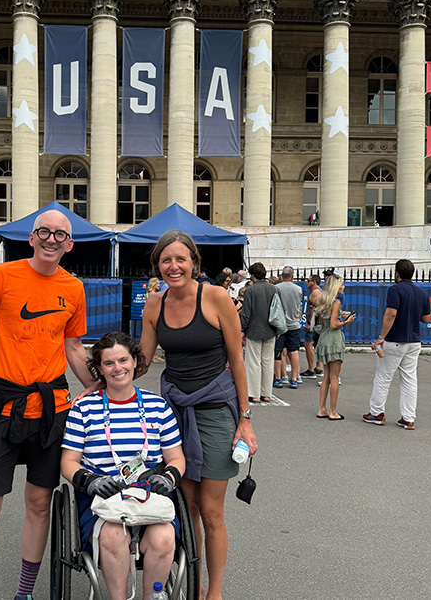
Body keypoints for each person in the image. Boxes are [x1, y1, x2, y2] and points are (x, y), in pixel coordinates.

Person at [0, 209, 96, 600]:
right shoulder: (2, 276)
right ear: (31, 238)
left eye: (60, 235)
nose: (52, 240)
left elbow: (73, 346)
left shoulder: (73, 287)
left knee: (38, 503)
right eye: (44, 232)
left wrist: (102, 387)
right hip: (4, 401)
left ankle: (24, 594)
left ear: (70, 245)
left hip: (52, 408)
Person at [141, 230, 256, 600]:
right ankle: (195, 584)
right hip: (173, 413)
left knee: (210, 511)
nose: (173, 266)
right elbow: (141, 362)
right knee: (186, 506)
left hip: (214, 412)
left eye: (180, 259)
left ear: (194, 262)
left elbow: (237, 360)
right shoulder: (154, 305)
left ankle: (215, 593)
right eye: (166, 260)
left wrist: (245, 418)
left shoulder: (217, 297)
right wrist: (100, 382)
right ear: (158, 266)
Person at [61, 332, 185, 600]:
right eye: (109, 363)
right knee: (113, 535)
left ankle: (152, 596)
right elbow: (68, 462)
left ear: (134, 362)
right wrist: (89, 481)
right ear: (100, 369)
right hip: (103, 498)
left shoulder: (157, 406)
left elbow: (176, 458)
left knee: (164, 537)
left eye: (123, 360)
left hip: (149, 493)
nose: (118, 368)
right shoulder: (84, 408)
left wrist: (170, 478)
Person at [364, 259, 431, 429]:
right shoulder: (422, 293)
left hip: (395, 340)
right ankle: (408, 418)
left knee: (383, 377)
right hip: (414, 341)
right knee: (409, 379)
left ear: (397, 273)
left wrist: (381, 336)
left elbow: (390, 314)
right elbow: (426, 318)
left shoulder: (395, 290)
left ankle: (377, 413)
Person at [315, 275, 356, 421]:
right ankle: (333, 411)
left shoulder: (323, 301)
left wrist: (340, 316)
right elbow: (334, 325)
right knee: (334, 377)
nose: (343, 287)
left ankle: (322, 408)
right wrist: (347, 321)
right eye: (341, 285)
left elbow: (327, 320)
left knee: (326, 376)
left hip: (324, 338)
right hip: (334, 339)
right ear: (335, 287)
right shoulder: (336, 302)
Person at [240, 262, 277, 404]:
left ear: (253, 275)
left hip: (254, 329)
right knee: (267, 362)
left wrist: (242, 329)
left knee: (253, 362)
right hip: (270, 328)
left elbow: (246, 313)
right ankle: (266, 393)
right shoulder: (274, 289)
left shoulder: (250, 291)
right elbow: (278, 310)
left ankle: (254, 393)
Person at [274, 266, 303, 388]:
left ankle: (278, 378)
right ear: (292, 277)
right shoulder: (298, 289)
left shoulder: (276, 288)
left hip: (280, 324)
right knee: (294, 351)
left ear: (281, 276)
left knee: (278, 351)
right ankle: (294, 378)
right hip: (294, 323)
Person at [301, 273, 323, 379]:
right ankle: (318, 367)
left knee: (308, 344)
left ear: (314, 282)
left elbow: (316, 309)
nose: (307, 282)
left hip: (314, 323)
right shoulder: (316, 292)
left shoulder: (315, 292)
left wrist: (310, 323)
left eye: (308, 280)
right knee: (316, 345)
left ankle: (311, 369)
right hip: (316, 323)